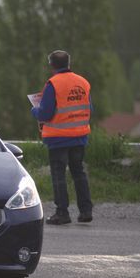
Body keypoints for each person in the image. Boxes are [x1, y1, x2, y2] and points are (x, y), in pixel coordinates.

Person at [31, 50, 93, 225]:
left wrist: (34, 110)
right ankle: (86, 211)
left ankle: (62, 213)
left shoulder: (53, 84)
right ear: (69, 63)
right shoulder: (83, 82)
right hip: (80, 136)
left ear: (51, 65)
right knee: (79, 173)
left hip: (58, 138)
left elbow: (45, 113)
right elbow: (90, 109)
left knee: (59, 175)